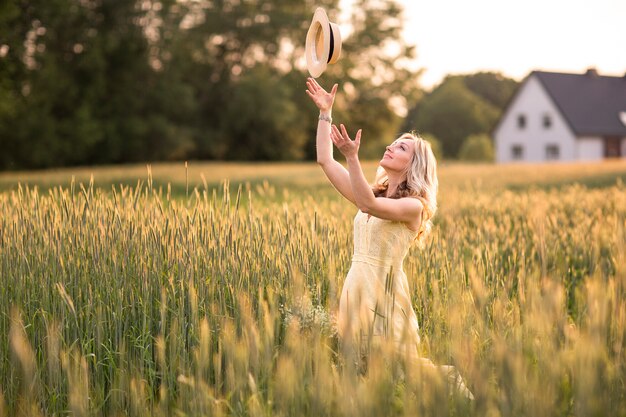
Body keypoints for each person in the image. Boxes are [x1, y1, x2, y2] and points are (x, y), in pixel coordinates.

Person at [305, 77, 473, 399]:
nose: (390, 147)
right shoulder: (371, 192)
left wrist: (353, 157)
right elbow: (325, 160)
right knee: (363, 372)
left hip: (385, 295)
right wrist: (325, 113)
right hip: (356, 288)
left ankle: (457, 399)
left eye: (401, 147)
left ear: (414, 164)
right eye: (393, 143)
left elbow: (368, 205)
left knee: (399, 372)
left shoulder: (414, 207)